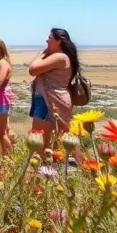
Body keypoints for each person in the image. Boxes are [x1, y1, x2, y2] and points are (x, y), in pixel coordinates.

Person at [28, 28, 83, 156]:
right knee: (60, 139)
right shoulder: (60, 56)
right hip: (48, 99)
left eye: (50, 38)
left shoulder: (60, 57)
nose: (46, 40)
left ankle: (86, 167)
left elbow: (33, 70)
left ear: (59, 41)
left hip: (49, 101)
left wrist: (42, 53)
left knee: (39, 141)